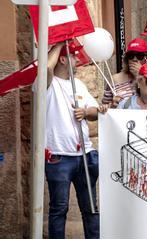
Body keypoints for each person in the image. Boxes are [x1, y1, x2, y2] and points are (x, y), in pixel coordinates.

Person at [45, 43, 107, 239]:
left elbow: (95, 112)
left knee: (91, 208)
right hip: (58, 156)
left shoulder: (78, 84)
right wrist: (58, 43)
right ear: (62, 59)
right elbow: (46, 68)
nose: (78, 60)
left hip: (85, 155)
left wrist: (86, 111)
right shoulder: (47, 83)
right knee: (59, 209)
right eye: (73, 56)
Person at [102, 37, 147, 106]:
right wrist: (112, 104)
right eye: (131, 55)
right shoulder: (115, 79)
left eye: (139, 56)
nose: (135, 59)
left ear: (146, 58)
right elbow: (104, 106)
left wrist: (139, 76)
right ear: (127, 59)